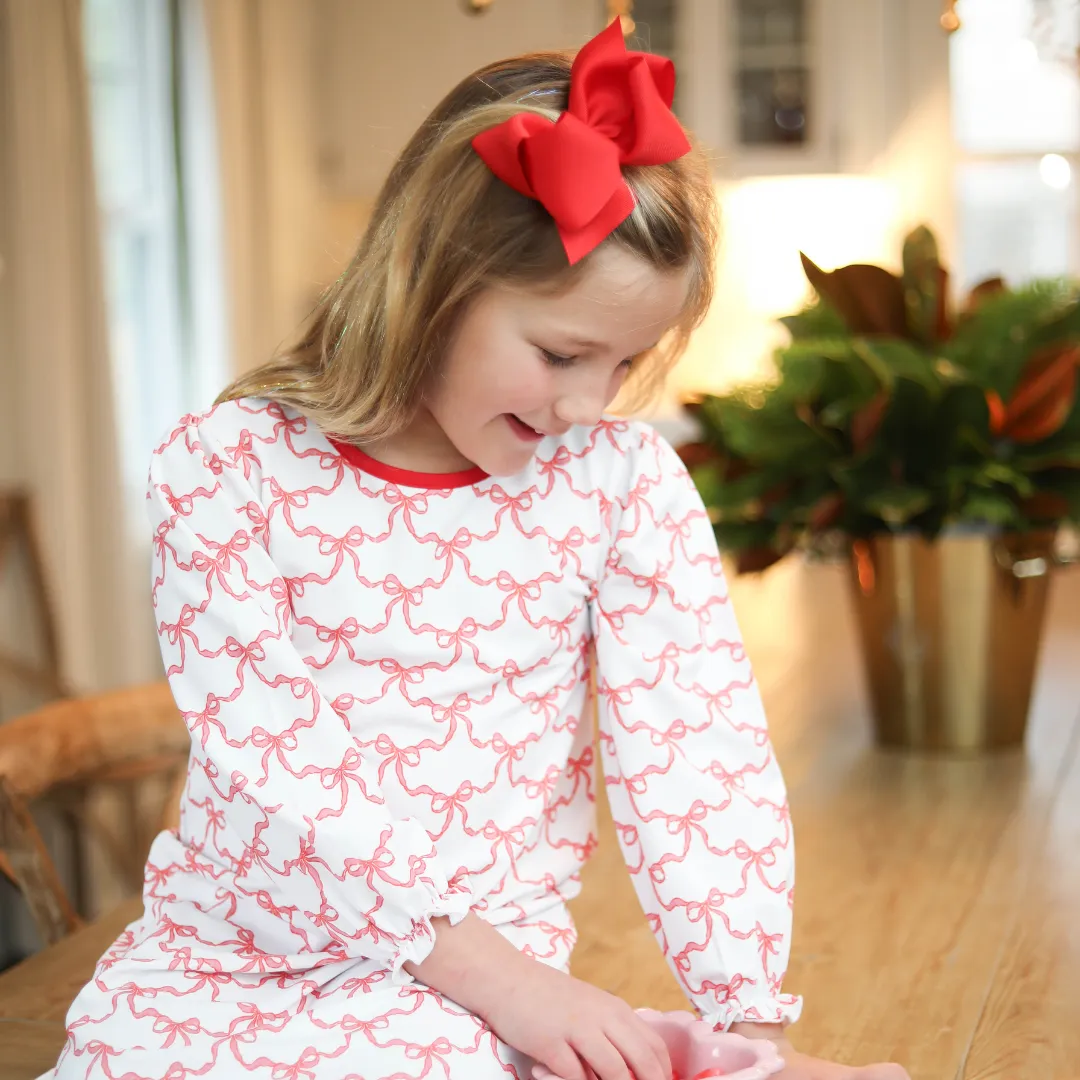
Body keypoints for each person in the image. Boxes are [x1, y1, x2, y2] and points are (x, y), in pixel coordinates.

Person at [52, 22, 910, 1080]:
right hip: (232, 959)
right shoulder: (229, 468)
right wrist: (498, 980)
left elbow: (697, 757)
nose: (589, 403)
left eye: (628, 361)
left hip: (467, 993)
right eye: (560, 352)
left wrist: (746, 1018)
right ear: (430, 280)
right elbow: (276, 766)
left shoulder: (619, 485)